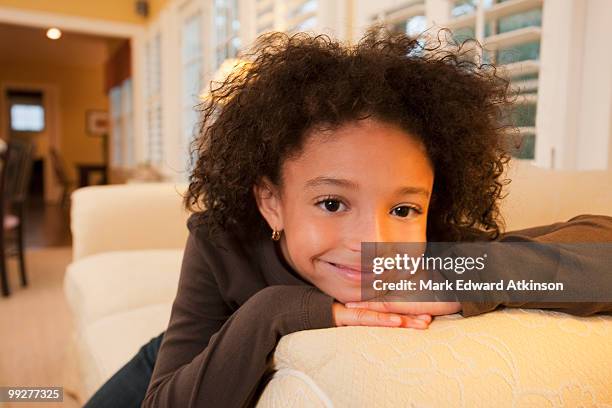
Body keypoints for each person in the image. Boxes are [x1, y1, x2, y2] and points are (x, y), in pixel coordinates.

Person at [84, 27, 612, 408]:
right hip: (178, 358)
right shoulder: (221, 239)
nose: (374, 240)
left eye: (404, 208)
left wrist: (466, 277)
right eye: (332, 203)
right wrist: (275, 311)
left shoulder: (425, 255)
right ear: (271, 201)